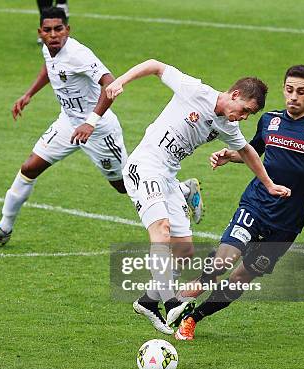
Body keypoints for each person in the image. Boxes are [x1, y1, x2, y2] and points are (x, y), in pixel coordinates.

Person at [105, 59, 291, 335]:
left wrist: (269, 184)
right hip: (145, 167)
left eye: (249, 115)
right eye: (245, 110)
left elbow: (248, 152)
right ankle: (171, 303)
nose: (243, 117)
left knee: (184, 252)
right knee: (161, 230)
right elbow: (155, 65)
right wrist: (120, 81)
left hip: (167, 177)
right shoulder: (194, 90)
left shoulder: (228, 125)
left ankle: (148, 301)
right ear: (235, 95)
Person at [175, 65, 304, 340]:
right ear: (283, 90)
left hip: (287, 223)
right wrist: (230, 155)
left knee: (240, 279)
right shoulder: (269, 120)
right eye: (289, 90)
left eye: (301, 92)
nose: (294, 97)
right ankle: (177, 302)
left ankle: (193, 317)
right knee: (222, 261)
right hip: (255, 204)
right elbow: (253, 151)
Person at [0, 6, 129, 245]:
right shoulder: (49, 48)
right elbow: (50, 68)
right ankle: (3, 228)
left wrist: (90, 122)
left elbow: (111, 84)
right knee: (29, 168)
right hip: (68, 123)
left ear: (68, 29)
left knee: (124, 186)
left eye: (58, 29)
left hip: (98, 130)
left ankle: (182, 192)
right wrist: (29, 94)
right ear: (40, 32)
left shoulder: (79, 55)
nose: (53, 35)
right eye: (48, 30)